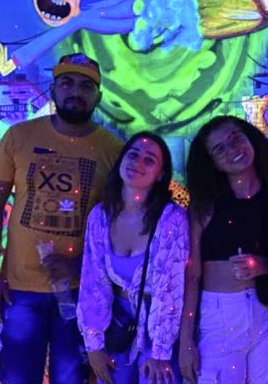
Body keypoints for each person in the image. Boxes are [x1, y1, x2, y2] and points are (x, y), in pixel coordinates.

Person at [0, 52, 123, 383]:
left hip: (80, 292)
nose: (76, 92)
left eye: (86, 86)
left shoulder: (114, 151)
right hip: (19, 290)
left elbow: (118, 227)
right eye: (67, 83)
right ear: (53, 88)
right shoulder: (19, 137)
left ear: (98, 96)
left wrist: (83, 267)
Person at [179, 115, 268, 384]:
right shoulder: (203, 207)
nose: (232, 149)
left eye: (236, 138)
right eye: (219, 149)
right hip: (220, 315)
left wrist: (265, 265)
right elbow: (192, 276)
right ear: (212, 162)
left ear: (251, 138)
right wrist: (185, 340)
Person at [78, 132, 189, 384]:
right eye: (133, 154)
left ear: (160, 174)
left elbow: (170, 288)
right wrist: (94, 344)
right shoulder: (101, 215)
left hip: (160, 330)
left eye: (149, 160)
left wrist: (160, 352)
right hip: (120, 327)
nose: (138, 163)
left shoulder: (171, 219)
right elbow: (92, 283)